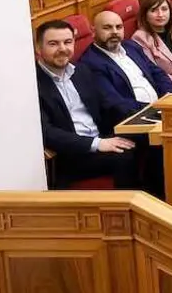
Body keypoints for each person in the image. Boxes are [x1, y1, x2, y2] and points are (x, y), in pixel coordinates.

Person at [35, 20, 142, 189]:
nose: (63, 48)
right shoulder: (33, 85)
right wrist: (98, 144)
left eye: (68, 42)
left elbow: (107, 104)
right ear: (38, 48)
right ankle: (127, 211)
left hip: (101, 137)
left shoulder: (81, 71)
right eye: (53, 44)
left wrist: (144, 114)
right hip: (72, 154)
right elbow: (46, 132)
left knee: (147, 139)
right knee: (124, 156)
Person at [78, 11, 172, 118]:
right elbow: (115, 103)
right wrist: (155, 110)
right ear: (93, 31)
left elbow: (157, 73)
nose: (114, 32)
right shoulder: (90, 63)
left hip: (161, 109)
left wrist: (169, 97)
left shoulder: (131, 46)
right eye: (107, 28)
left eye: (119, 27)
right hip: (133, 119)